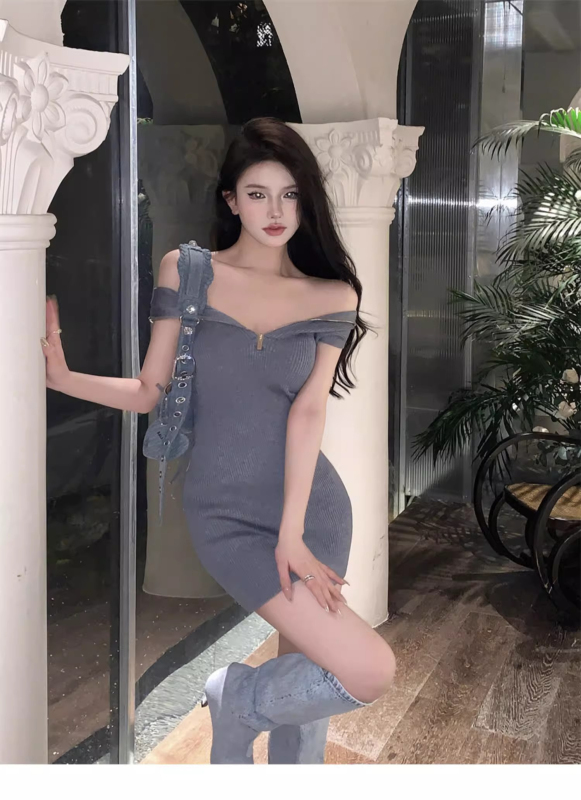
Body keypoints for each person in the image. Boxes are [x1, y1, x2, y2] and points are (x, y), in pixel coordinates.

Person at [42, 117, 396, 764]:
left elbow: (308, 412)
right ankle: (238, 698)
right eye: (257, 194)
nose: (275, 211)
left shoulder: (332, 294)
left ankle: (271, 749)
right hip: (224, 513)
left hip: (310, 510)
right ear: (231, 200)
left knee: (311, 687)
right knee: (368, 670)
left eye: (290, 194)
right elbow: (149, 391)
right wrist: (65, 380)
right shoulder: (188, 272)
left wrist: (292, 533)